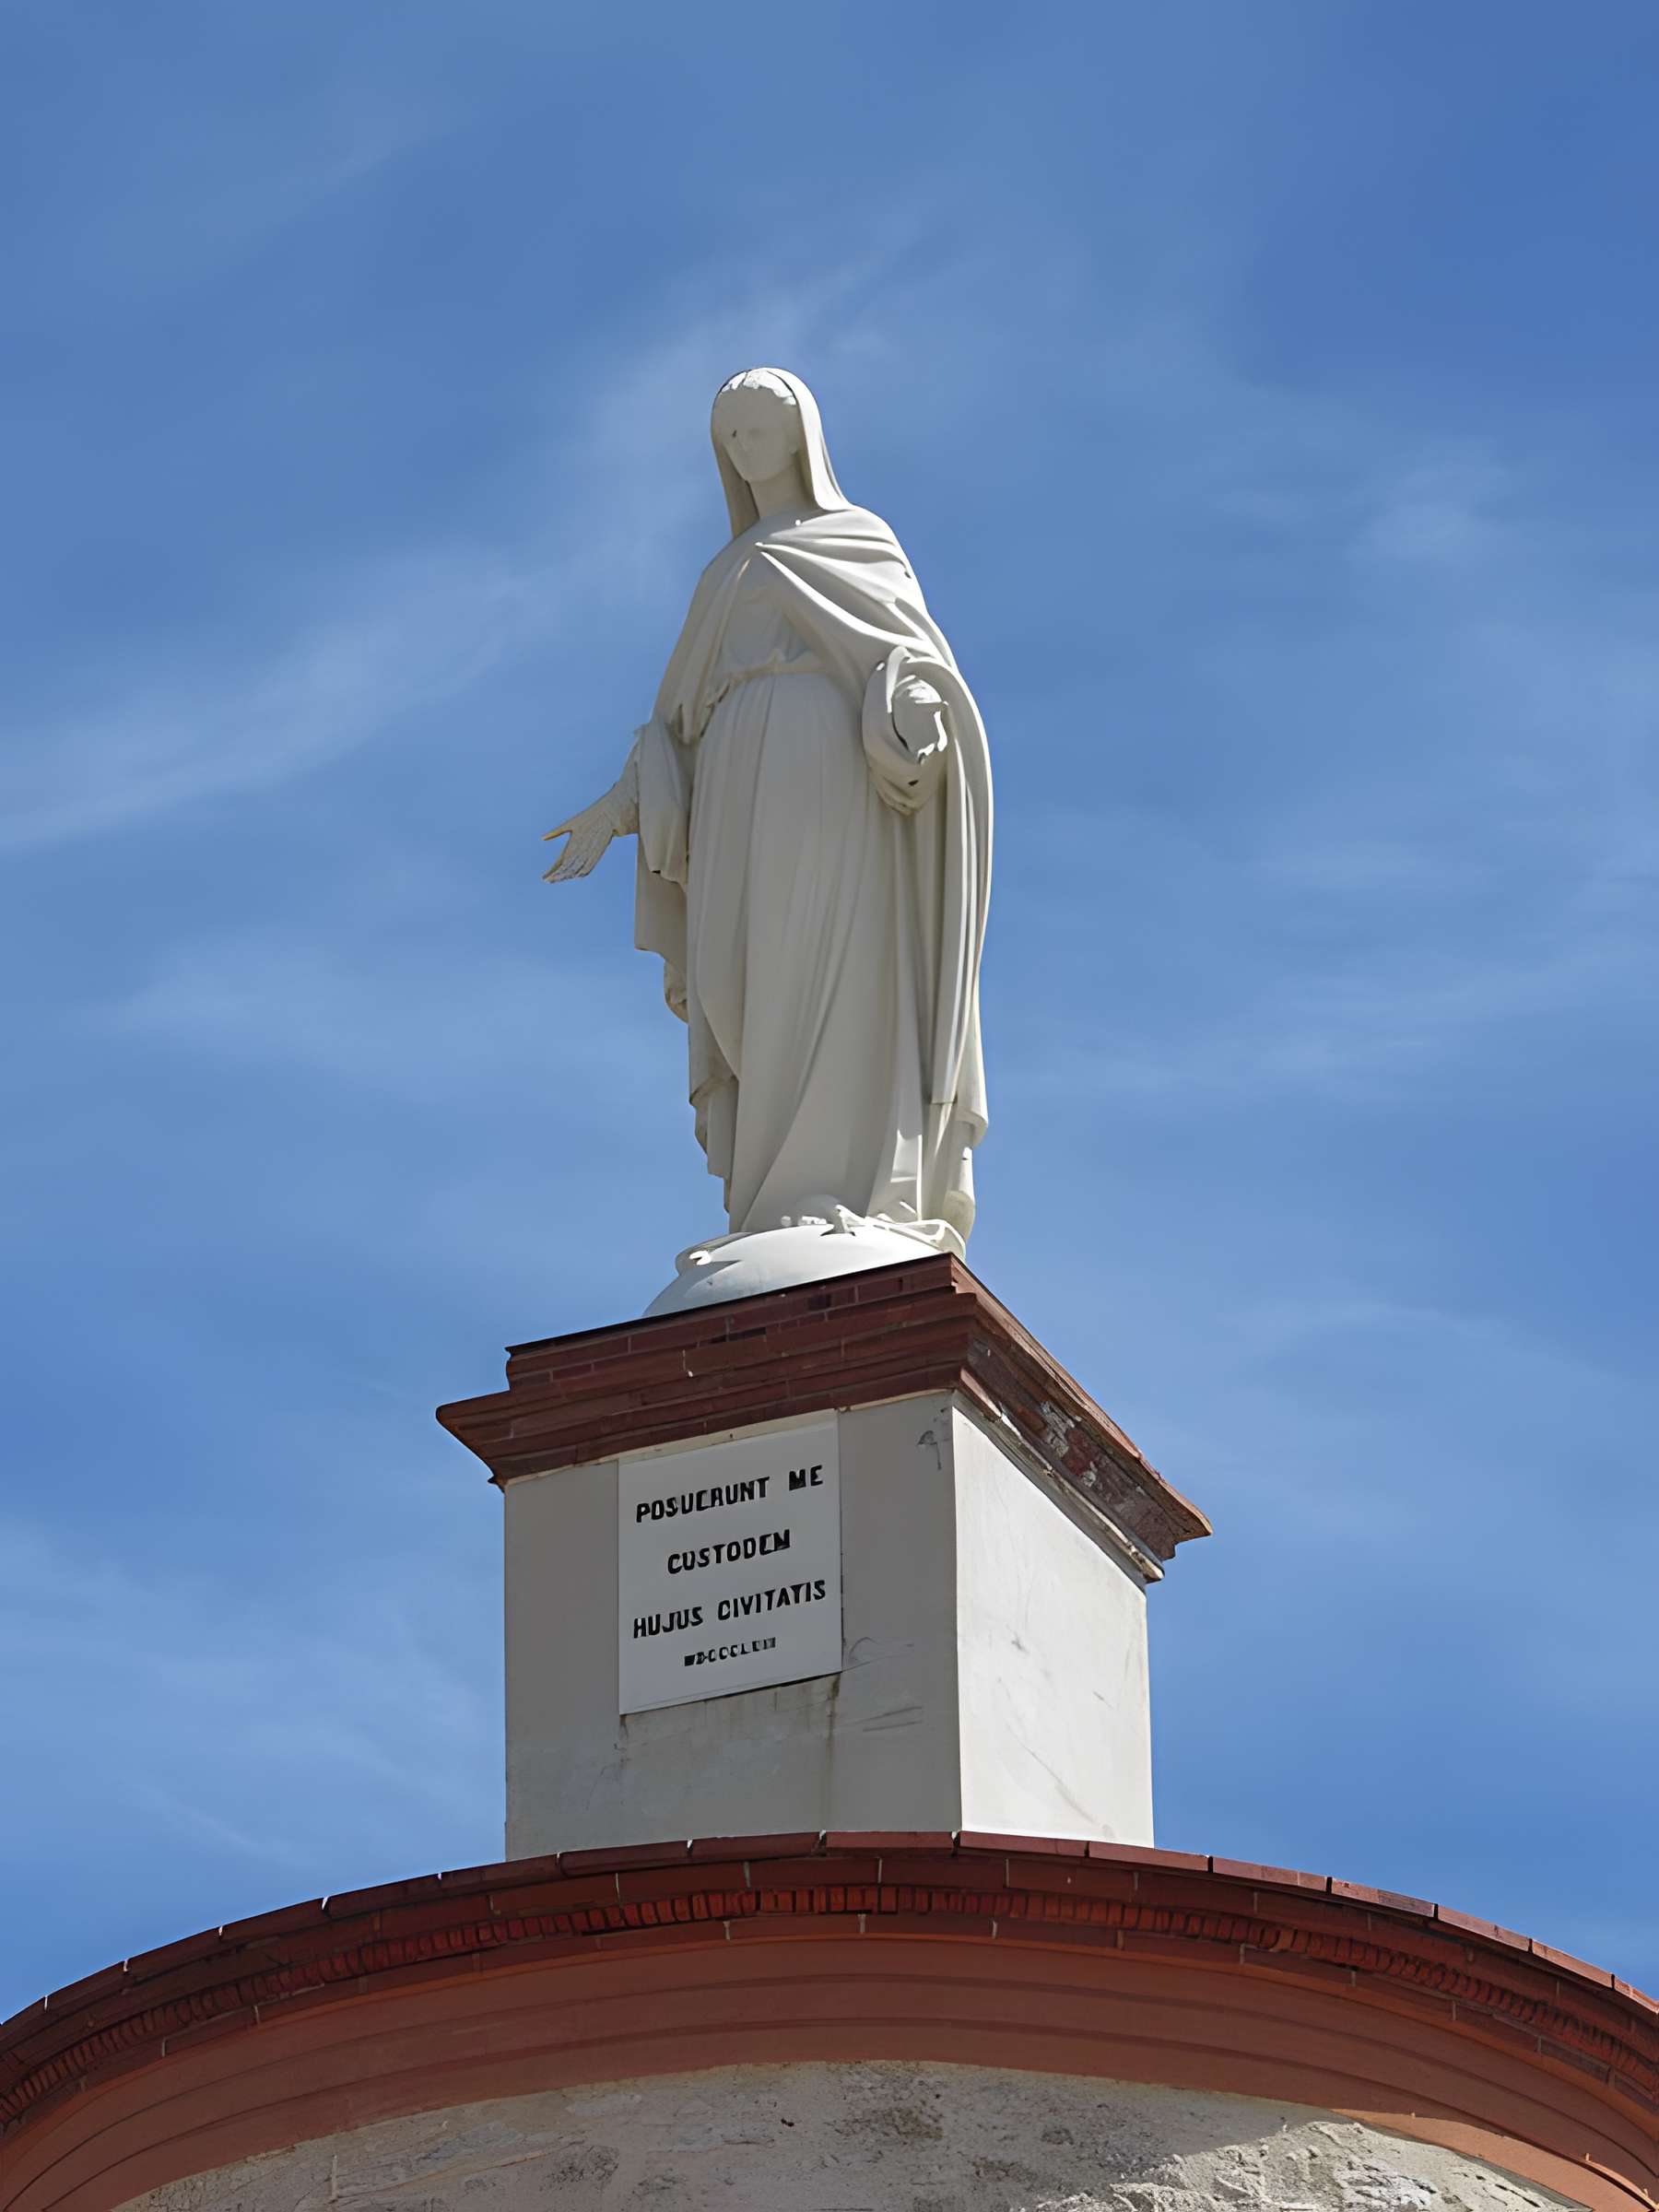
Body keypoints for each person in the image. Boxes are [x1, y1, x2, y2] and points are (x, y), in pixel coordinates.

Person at [544, 367, 991, 1255]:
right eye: (731, 435)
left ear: (801, 436)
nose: (747, 448)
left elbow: (910, 664)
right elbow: (676, 730)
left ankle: (855, 1184)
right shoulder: (725, 575)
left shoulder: (858, 539)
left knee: (839, 957)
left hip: (830, 778)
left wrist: (916, 710)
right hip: (740, 787)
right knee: (756, 975)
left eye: (760, 427)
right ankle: (769, 1196)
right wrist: (619, 805)